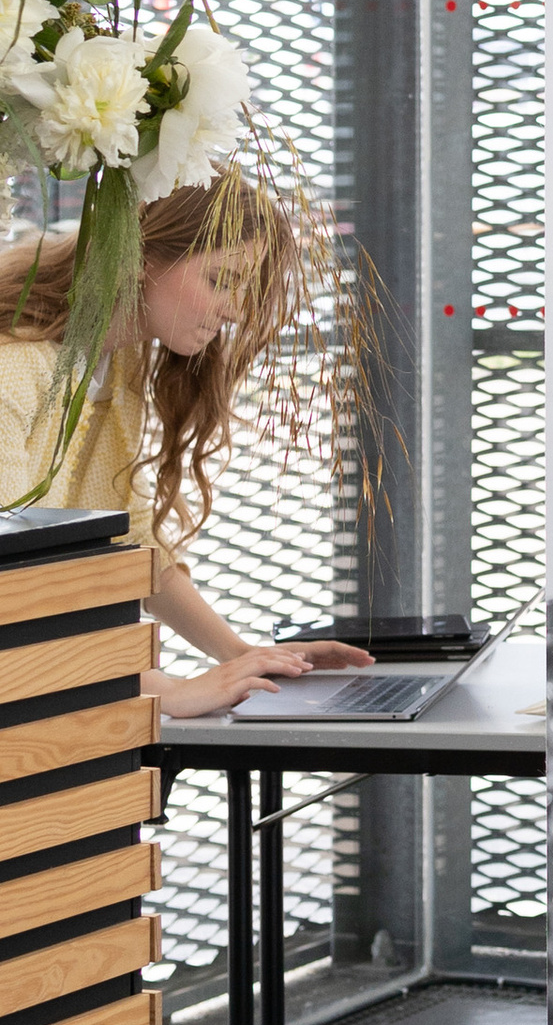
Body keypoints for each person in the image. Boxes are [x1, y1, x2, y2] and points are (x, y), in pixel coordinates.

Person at [0, 180, 372, 716]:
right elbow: (14, 583)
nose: (236, 312)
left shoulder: (115, 361)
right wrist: (165, 689)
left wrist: (240, 654)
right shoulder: (14, 372)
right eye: (222, 280)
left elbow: (131, 542)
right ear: (137, 254)